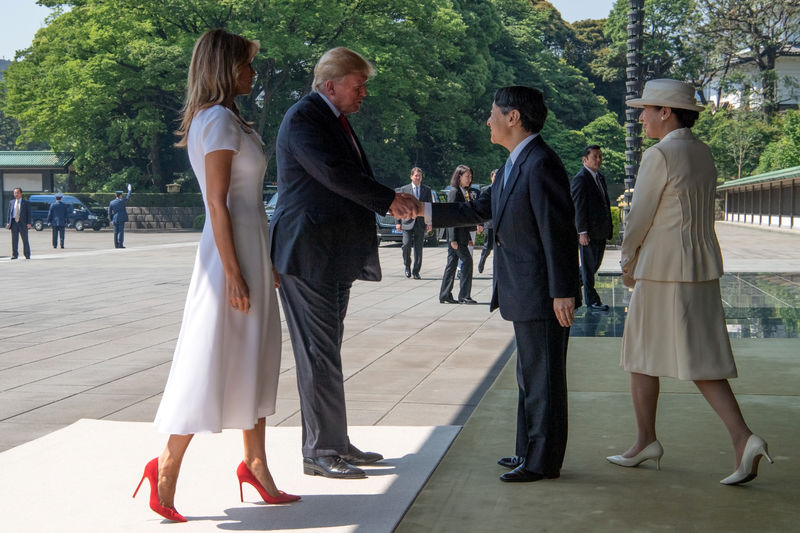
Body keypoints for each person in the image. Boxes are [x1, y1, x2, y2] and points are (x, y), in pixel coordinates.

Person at [135, 29, 299, 524]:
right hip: (229, 255)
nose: (253, 73)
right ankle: (165, 469)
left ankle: (256, 465)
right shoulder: (220, 123)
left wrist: (261, 261)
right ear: (225, 70)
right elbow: (217, 201)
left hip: (247, 249)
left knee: (256, 354)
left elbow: (242, 204)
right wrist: (232, 273)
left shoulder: (228, 120)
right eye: (247, 65)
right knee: (208, 358)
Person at [608, 78, 771, 485]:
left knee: (641, 354)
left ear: (666, 112)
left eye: (647, 108)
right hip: (699, 266)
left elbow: (639, 216)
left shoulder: (660, 154)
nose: (641, 115)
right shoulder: (703, 152)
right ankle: (736, 437)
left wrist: (627, 260)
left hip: (662, 270)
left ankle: (657, 439)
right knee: (700, 358)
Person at [270, 47, 416, 479]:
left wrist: (387, 197)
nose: (364, 93)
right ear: (330, 85)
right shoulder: (304, 119)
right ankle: (320, 450)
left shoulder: (330, 120)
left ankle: (333, 441)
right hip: (308, 255)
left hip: (328, 253)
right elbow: (334, 174)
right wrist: (389, 199)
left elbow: (344, 178)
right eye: (358, 85)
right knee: (318, 354)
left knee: (326, 352)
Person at [422, 86, 580, 482]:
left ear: (514, 118)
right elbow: (475, 208)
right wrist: (421, 209)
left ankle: (543, 461)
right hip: (523, 288)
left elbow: (557, 232)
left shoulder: (540, 163)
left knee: (543, 377)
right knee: (529, 375)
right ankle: (527, 451)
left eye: (493, 113)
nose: (488, 120)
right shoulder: (516, 162)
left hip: (542, 291)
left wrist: (563, 290)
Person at [570, 145, 613, 311]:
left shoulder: (599, 177)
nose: (598, 159)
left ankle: (570, 288)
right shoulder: (581, 179)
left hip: (600, 231)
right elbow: (578, 207)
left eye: (600, 156)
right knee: (588, 268)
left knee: (594, 265)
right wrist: (582, 231)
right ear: (584, 160)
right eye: (595, 156)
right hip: (588, 232)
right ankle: (592, 301)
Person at [439, 165, 477, 304]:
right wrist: (453, 238)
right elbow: (451, 216)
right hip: (456, 237)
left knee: (452, 265)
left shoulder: (463, 192)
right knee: (467, 262)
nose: (469, 179)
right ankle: (464, 296)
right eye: (467, 176)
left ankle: (445, 295)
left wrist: (467, 238)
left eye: (471, 177)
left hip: (461, 236)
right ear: (459, 177)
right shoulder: (455, 192)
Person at [395, 167, 434, 279]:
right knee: (406, 245)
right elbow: (398, 206)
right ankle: (407, 265)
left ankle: (416, 271)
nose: (417, 178)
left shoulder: (426, 190)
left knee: (418, 248)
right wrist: (398, 222)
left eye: (419, 176)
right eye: (416, 175)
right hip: (407, 222)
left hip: (420, 223)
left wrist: (429, 222)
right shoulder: (404, 189)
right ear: (411, 176)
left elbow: (429, 207)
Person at [477, 169, 498, 274]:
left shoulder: (504, 188)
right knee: (488, 246)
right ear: (491, 177)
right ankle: (482, 262)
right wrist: (480, 223)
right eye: (495, 176)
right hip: (489, 223)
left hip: (500, 223)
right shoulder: (486, 189)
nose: (496, 178)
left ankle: (497, 268)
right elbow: (481, 207)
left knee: (499, 248)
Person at [6, 187, 31, 260]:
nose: (15, 194)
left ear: (21, 193)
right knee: (14, 240)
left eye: (17, 193)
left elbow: (29, 213)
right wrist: (8, 222)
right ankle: (15, 255)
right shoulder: (11, 202)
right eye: (14, 193)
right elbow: (9, 213)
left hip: (22, 223)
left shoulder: (26, 203)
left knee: (25, 239)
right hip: (14, 223)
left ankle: (27, 255)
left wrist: (29, 223)